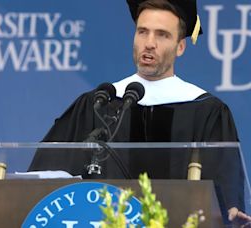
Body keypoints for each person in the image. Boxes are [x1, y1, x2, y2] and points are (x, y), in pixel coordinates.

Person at [28, 0, 251, 225]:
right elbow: (46, 180)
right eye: (142, 32)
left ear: (180, 46)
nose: (149, 43)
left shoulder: (206, 111)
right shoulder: (98, 103)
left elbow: (225, 192)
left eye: (162, 35)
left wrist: (229, 212)